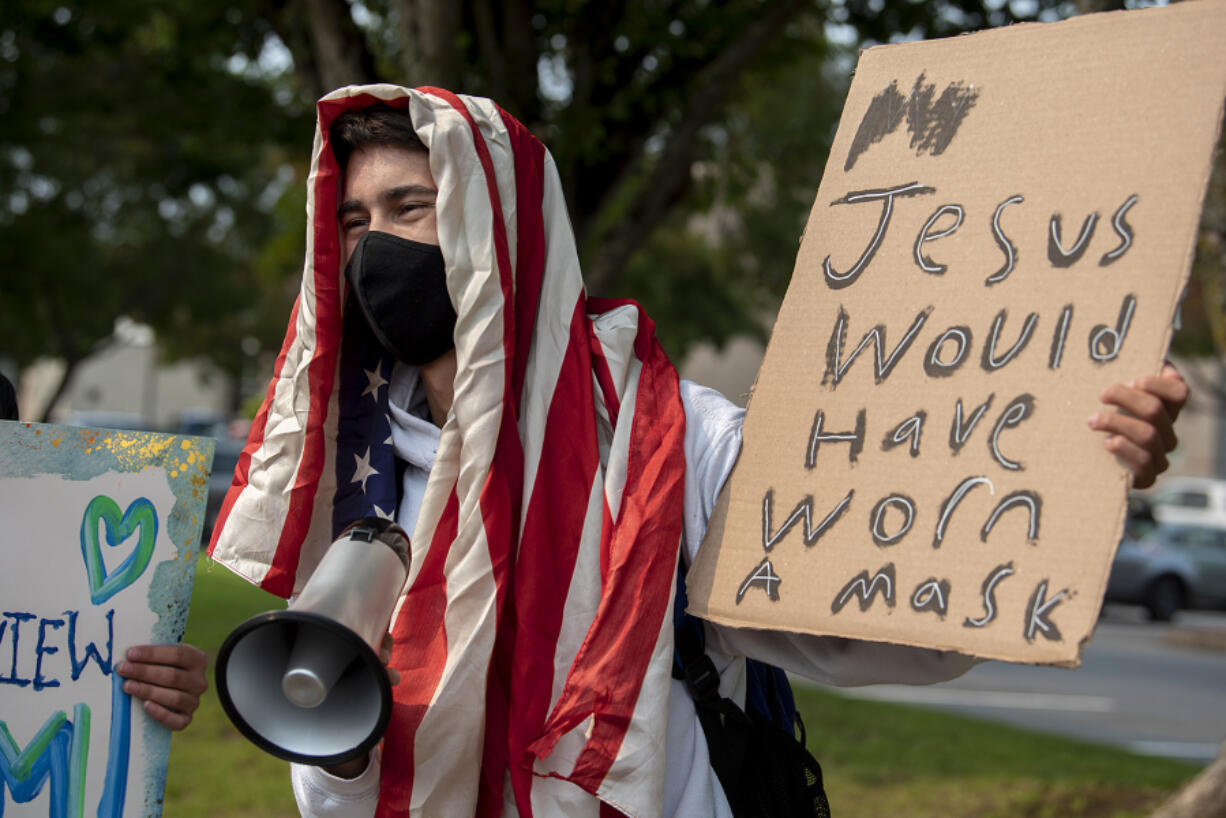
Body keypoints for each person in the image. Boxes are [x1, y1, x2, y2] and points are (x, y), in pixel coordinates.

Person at [197, 86, 1184, 816]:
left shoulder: (675, 439)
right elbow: (334, 779)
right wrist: (336, 734)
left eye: (410, 208)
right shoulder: (360, 469)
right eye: (355, 222)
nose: (375, 246)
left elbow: (896, 622)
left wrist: (1071, 468)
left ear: (496, 218)